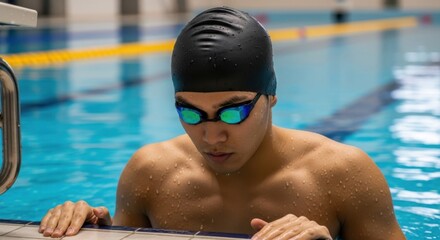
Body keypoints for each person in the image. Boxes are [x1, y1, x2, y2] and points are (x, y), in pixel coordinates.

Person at [39, 7, 405, 240]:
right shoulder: (150, 172)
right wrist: (91, 232)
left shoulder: (343, 175)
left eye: (233, 112)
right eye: (190, 113)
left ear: (271, 95)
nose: (211, 135)